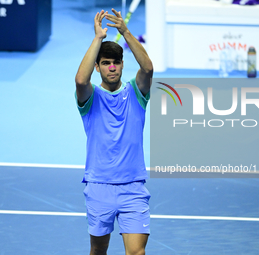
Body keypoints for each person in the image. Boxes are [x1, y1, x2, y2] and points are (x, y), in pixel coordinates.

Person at [75, 8, 153, 255]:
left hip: (133, 187)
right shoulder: (90, 97)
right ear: (97, 67)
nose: (111, 68)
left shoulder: (136, 93)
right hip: (99, 185)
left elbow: (148, 69)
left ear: (122, 65)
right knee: (98, 251)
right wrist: (97, 38)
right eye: (105, 63)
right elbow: (80, 80)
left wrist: (125, 31)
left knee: (136, 253)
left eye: (116, 62)